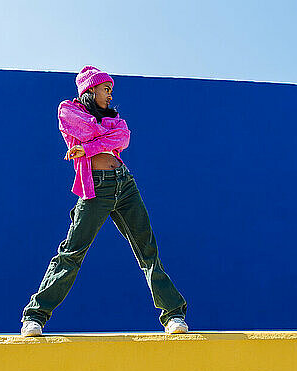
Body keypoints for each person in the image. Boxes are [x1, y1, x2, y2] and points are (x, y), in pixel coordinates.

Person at [20, 65, 188, 336]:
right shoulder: (68, 110)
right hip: (95, 189)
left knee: (147, 250)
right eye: (106, 89)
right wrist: (103, 139)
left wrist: (88, 148)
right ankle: (35, 316)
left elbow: (123, 136)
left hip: (125, 184)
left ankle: (174, 315)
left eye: (111, 90)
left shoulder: (115, 117)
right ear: (90, 89)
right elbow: (88, 129)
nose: (111, 96)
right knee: (72, 252)